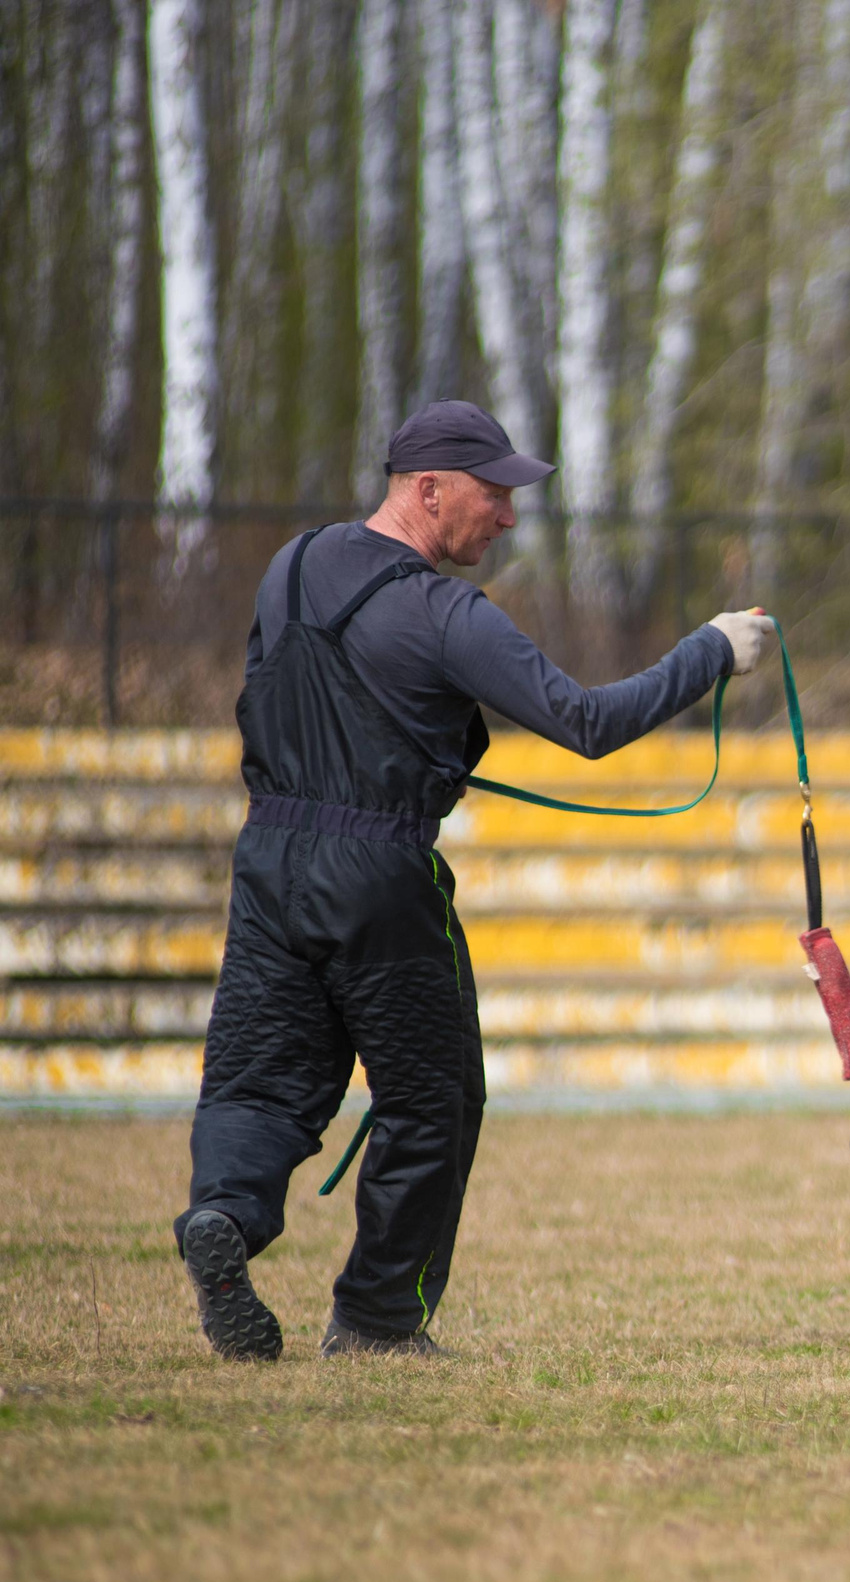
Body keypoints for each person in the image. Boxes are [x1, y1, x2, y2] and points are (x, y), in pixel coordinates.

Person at [175, 400, 778, 1361]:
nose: (505, 517)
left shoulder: (292, 566)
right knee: (434, 1097)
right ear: (428, 489)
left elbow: (269, 693)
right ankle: (376, 1321)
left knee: (259, 1073)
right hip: (378, 871)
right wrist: (710, 651)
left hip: (270, 855)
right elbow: (584, 722)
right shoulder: (444, 610)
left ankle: (224, 1217)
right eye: (492, 495)